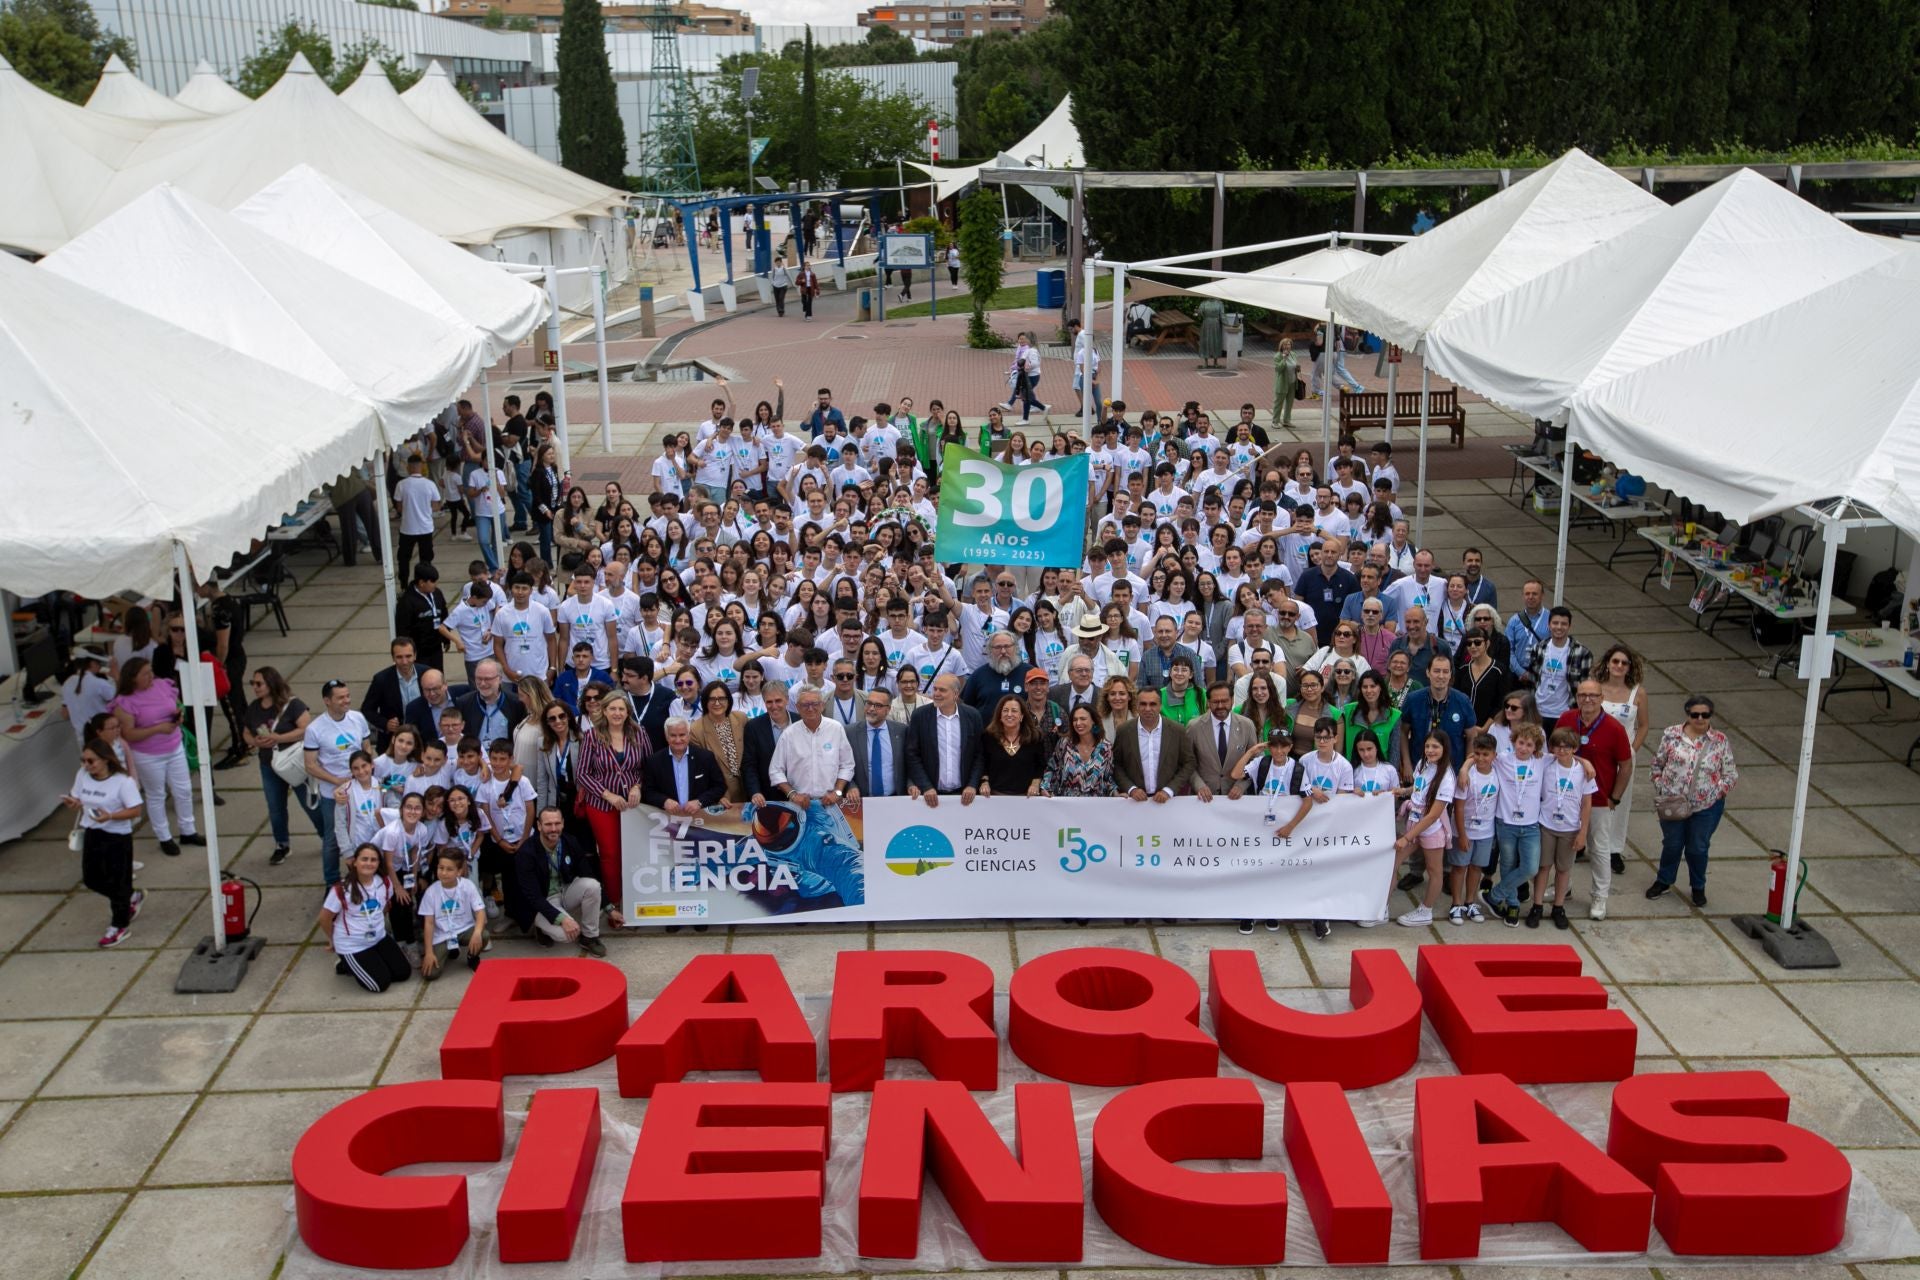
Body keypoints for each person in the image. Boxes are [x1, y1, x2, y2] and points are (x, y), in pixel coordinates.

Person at [1647, 695, 1739, 908]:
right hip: (1673, 802)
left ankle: (1698, 886)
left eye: (1705, 715)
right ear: (1687, 714)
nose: (1699, 718)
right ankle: (1664, 880)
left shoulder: (1720, 741)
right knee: (1672, 844)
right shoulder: (1671, 735)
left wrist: (1716, 793)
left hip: (1706, 806)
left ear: (1710, 716)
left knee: (1698, 847)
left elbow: (1731, 774)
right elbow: (1657, 763)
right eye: (1695, 714)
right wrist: (1661, 786)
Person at [1555, 677, 1635, 919]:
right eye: (1582, 695)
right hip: (1566, 797)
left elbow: (1626, 765)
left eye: (1593, 695)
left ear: (1602, 699)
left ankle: (1599, 897)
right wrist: (1582, 760)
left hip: (1600, 800)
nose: (1587, 699)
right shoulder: (1567, 719)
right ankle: (1563, 888)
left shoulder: (1614, 728)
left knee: (1599, 850)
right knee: (1564, 846)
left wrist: (1615, 797)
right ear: (1576, 697)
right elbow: (1555, 751)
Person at [111, 658, 198, 857]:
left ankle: (188, 830)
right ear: (132, 678)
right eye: (145, 674)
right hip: (148, 755)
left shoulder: (161, 685)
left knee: (183, 789)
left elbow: (176, 704)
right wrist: (158, 728)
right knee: (156, 794)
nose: (151, 676)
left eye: (151, 671)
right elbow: (129, 734)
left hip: (174, 747)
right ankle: (164, 836)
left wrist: (178, 715)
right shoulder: (125, 702)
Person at [64, 738, 146, 948]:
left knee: (118, 881)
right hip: (92, 832)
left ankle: (119, 925)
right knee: (91, 879)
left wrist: (110, 816)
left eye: (91, 761)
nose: (86, 765)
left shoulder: (122, 782)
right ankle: (130, 896)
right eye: (83, 760)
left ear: (105, 760)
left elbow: (135, 810)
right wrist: (74, 803)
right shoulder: (83, 775)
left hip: (117, 837)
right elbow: (80, 798)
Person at [511, 806, 607, 955]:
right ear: (539, 825)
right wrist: (562, 919)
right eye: (548, 824)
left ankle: (589, 937)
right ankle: (541, 928)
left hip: (564, 891)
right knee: (566, 936)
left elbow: (588, 873)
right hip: (540, 901)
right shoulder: (526, 852)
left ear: (563, 823)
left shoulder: (570, 841)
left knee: (592, 886)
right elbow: (533, 897)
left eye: (557, 823)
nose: (553, 829)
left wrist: (609, 908)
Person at [244, 666, 313, 865]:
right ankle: (281, 844)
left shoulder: (293, 705)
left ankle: (327, 837)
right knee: (275, 807)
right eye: (253, 683)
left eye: (259, 683)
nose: (255, 687)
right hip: (269, 765)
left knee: (309, 803)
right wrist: (256, 742)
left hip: (294, 762)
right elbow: (246, 731)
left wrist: (279, 738)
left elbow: (306, 728)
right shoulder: (254, 708)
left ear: (271, 684)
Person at [575, 689, 648, 874]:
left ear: (627, 712)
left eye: (621, 709)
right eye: (612, 709)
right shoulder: (591, 736)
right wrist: (608, 795)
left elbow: (649, 767)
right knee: (610, 853)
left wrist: (637, 786)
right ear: (604, 711)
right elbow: (582, 774)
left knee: (635, 852)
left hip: (634, 805)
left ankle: (634, 899)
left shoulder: (639, 733)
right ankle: (615, 900)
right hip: (602, 805)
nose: (617, 713)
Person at [321, 843, 409, 992]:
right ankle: (346, 963)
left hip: (378, 937)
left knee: (402, 973)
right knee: (380, 984)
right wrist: (332, 939)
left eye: (373, 860)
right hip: (353, 944)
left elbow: (384, 908)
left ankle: (369, 960)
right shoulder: (342, 889)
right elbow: (324, 918)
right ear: (355, 862)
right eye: (364, 859)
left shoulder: (384, 882)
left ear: (378, 863)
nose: (368, 863)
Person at [1534, 727, 1598, 930]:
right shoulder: (1546, 764)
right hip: (1546, 824)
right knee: (1543, 867)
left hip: (1570, 828)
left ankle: (1558, 906)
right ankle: (1537, 905)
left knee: (1563, 869)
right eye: (1558, 747)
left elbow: (1587, 803)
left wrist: (1582, 832)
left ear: (1575, 748)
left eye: (1567, 747)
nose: (1562, 751)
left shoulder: (1583, 772)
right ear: (1551, 748)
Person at [1485, 722, 1546, 927]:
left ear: (1536, 748)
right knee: (1508, 865)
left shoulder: (1541, 761)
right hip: (1506, 823)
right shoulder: (1502, 759)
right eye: (1521, 743)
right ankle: (1512, 904)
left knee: (1530, 868)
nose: (1524, 748)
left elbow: (1569, 757)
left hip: (1530, 825)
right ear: (1513, 741)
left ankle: (1494, 895)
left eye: (1529, 745)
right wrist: (1466, 770)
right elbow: (1476, 757)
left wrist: (1587, 763)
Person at [1394, 731, 1457, 927]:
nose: (1430, 750)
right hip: (1414, 823)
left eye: (1435, 747)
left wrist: (1407, 837)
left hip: (1431, 830)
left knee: (1434, 870)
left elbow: (1432, 815)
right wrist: (1403, 791)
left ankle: (1426, 910)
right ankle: (1381, 904)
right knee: (1395, 861)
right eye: (1428, 746)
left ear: (1444, 749)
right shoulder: (1423, 764)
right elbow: (1418, 787)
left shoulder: (1447, 777)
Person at [768, 684, 857, 810]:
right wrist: (792, 795)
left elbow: (847, 765)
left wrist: (837, 792)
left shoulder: (836, 729)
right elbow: (775, 770)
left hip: (832, 803)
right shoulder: (788, 734)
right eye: (805, 705)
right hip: (799, 804)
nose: (810, 709)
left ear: (822, 705)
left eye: (814, 704)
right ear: (797, 707)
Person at [904, 674, 982, 805]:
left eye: (942, 690)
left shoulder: (972, 716)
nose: (936, 694)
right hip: (930, 796)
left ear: (955, 694)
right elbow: (912, 754)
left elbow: (979, 754)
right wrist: (926, 786)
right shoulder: (920, 716)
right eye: (935, 689)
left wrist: (972, 785)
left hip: (964, 795)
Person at [1112, 686, 1194, 803]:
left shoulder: (1177, 730)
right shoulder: (1124, 731)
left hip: (1168, 802)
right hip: (1134, 802)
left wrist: (1169, 790)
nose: (1148, 708)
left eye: (1153, 704)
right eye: (1143, 704)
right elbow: (1116, 764)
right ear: (1137, 705)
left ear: (1160, 705)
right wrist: (1131, 789)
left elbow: (1189, 763)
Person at [418, 849, 487, 981]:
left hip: (464, 929)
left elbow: (480, 912)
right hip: (442, 935)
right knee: (430, 974)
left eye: (449, 869)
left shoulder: (467, 886)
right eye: (441, 868)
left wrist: (477, 933)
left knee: (484, 935)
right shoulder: (431, 891)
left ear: (459, 871)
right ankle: (450, 950)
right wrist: (428, 952)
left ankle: (472, 956)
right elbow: (429, 923)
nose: (443, 873)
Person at [641, 717, 727, 816]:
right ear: (666, 736)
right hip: (668, 819)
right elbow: (648, 791)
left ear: (689, 735)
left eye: (682, 735)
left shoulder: (705, 757)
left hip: (700, 818)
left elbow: (719, 786)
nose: (678, 740)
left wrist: (700, 802)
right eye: (673, 735)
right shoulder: (654, 761)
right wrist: (664, 801)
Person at [1187, 681, 1255, 802]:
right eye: (1215, 702)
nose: (1220, 706)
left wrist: (1241, 785)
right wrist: (1199, 785)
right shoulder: (1194, 727)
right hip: (1203, 798)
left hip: (1238, 797)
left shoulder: (1247, 725)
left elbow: (1255, 762)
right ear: (1208, 702)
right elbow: (1186, 762)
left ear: (1232, 700)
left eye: (1224, 701)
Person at [689, 680, 750, 803]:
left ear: (728, 700)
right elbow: (701, 770)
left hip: (748, 788)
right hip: (722, 794)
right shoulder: (696, 730)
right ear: (705, 701)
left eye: (722, 698)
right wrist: (718, 795)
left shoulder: (741, 718)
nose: (717, 703)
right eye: (712, 699)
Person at [977, 694, 1046, 797]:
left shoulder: (1035, 738)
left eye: (1014, 711)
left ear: (1022, 716)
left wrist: (1035, 784)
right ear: (999, 715)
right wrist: (984, 782)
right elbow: (983, 764)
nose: (1009, 714)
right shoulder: (988, 737)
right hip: (994, 798)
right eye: (1005, 710)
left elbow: (1040, 766)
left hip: (1027, 799)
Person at [361, 638, 424, 752]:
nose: (404, 661)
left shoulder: (426, 673)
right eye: (399, 657)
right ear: (393, 658)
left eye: (408, 656)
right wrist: (385, 724)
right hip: (392, 742)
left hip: (423, 739)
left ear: (415, 655)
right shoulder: (381, 679)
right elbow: (367, 709)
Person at [1043, 704, 1116, 798]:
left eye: (1083, 719)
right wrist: (1045, 788)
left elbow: (1108, 779)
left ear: (1093, 721)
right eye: (1075, 719)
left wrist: (1115, 792)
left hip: (1096, 806)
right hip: (1066, 805)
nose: (1078, 723)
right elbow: (1051, 769)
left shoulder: (1106, 747)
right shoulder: (1064, 744)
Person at [849, 687, 908, 800]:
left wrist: (911, 784)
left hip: (896, 799)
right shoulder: (850, 732)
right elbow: (843, 765)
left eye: (878, 705)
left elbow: (910, 764)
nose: (871, 708)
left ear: (888, 709)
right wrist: (850, 786)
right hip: (862, 802)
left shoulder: (901, 731)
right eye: (869, 703)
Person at [393, 455, 442, 586]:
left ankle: (403, 584)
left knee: (403, 558)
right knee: (426, 559)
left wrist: (409, 513)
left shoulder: (401, 485)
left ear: (408, 467)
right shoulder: (430, 484)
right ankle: (423, 583)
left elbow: (398, 506)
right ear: (422, 466)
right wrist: (427, 512)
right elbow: (437, 505)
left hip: (407, 528)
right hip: (425, 527)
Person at [395, 564, 451, 673]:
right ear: (421, 583)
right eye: (433, 582)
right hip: (419, 651)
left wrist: (446, 638)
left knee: (437, 675)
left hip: (436, 647)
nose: (436, 585)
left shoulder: (437, 593)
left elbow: (444, 614)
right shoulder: (406, 602)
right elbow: (403, 630)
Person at [1272, 337, 1299, 427]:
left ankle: (1286, 421)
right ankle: (1275, 421)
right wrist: (1284, 358)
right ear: (1281, 346)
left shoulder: (1293, 354)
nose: (1287, 346)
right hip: (1282, 383)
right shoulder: (1278, 356)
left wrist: (1298, 368)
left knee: (1289, 403)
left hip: (1292, 382)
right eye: (1285, 344)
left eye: (1289, 344)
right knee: (1278, 403)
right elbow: (1279, 369)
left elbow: (1295, 366)